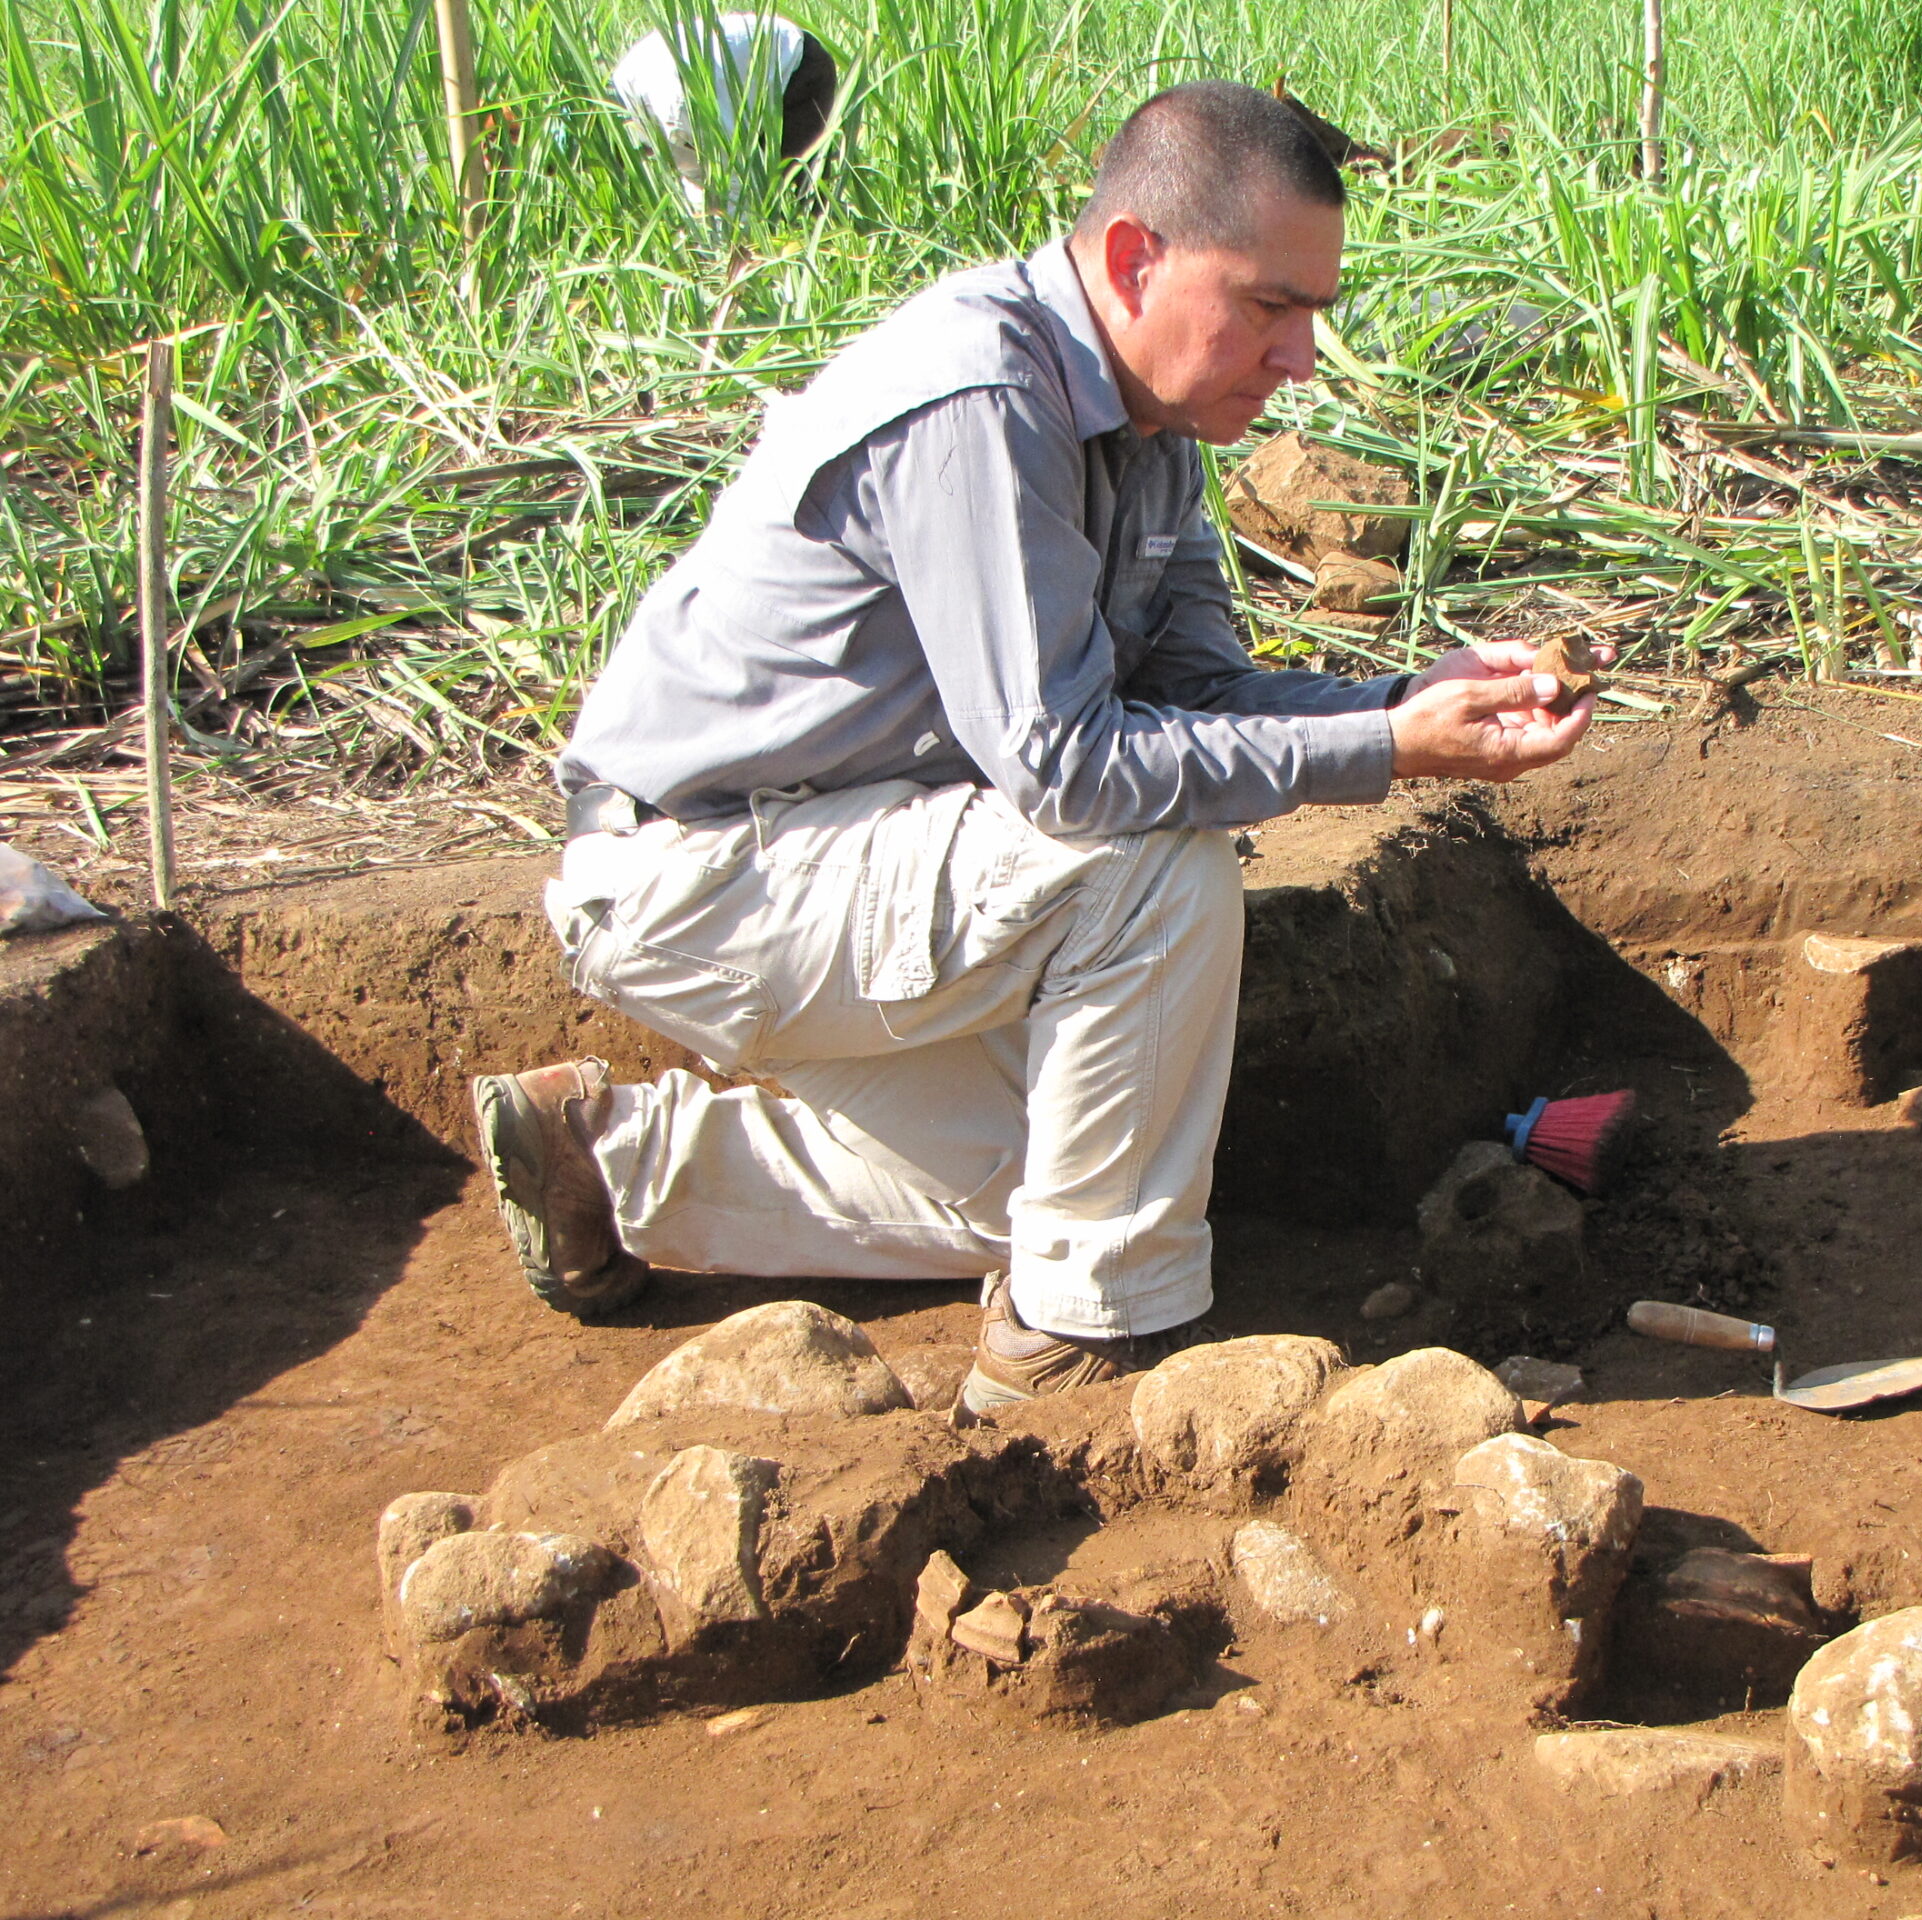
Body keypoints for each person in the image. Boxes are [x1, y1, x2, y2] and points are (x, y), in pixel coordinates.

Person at [474, 80, 1601, 1416]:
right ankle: (1073, 1345)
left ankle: (606, 1165)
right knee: (1149, 861)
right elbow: (1064, 770)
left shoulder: (1152, 428)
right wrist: (1384, 754)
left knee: (1073, 1175)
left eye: (1314, 314)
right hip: (702, 876)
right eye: (1271, 306)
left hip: (847, 857)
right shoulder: (981, 400)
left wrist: (1413, 703)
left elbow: (1198, 688)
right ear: (1134, 259)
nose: (1301, 359)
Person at [610, 13, 838, 205]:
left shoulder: (678, 109)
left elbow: (734, 171)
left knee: (801, 185)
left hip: (797, 63)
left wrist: (732, 246)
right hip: (727, 67)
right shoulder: (628, 90)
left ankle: (823, 242)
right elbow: (697, 176)